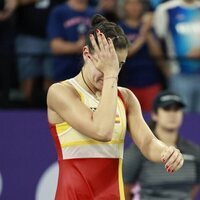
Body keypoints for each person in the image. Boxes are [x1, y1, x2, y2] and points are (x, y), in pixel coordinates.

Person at [47, 14, 184, 200]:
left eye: (119, 65)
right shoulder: (61, 92)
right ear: (87, 54)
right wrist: (111, 74)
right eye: (106, 65)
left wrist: (167, 152)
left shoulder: (125, 97)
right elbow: (102, 130)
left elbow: (147, 142)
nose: (112, 72)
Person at [123, 91, 200, 200]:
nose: (172, 114)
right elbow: (124, 189)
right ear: (154, 114)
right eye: (167, 109)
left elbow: (194, 188)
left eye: (177, 110)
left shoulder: (194, 151)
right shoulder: (140, 150)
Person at [118, 0, 169, 112]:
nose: (134, 7)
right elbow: (125, 53)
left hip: (150, 81)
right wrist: (142, 35)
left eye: (137, 4)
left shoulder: (149, 28)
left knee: (152, 117)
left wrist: (147, 31)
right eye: (130, 4)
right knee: (130, 117)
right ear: (125, 7)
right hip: (128, 83)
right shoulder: (119, 28)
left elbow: (157, 53)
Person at [153, 0, 200, 112]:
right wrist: (165, 69)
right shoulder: (166, 9)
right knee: (182, 119)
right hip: (179, 74)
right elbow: (156, 39)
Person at [47, 0, 95, 82]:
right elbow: (55, 47)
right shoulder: (59, 12)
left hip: (91, 75)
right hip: (64, 72)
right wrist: (78, 46)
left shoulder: (95, 13)